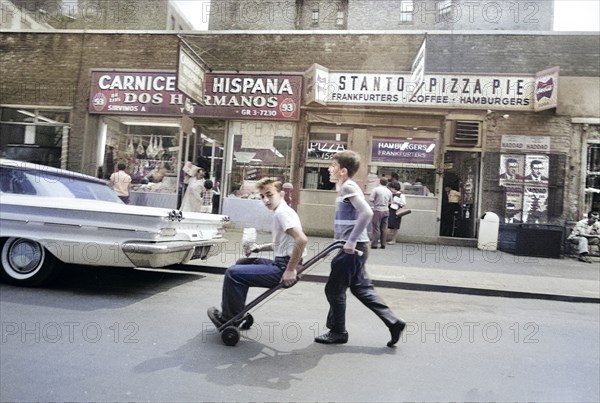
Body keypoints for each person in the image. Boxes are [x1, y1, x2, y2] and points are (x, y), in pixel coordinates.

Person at [315, 150, 405, 347]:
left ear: (343, 171)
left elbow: (366, 212)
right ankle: (393, 322)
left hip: (352, 249)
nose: (329, 169)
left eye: (333, 166)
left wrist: (350, 241)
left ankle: (338, 331)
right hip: (356, 247)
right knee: (361, 288)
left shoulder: (348, 186)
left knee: (334, 289)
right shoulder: (345, 187)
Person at [207, 177, 308, 326]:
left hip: (283, 267)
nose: (266, 200)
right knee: (242, 263)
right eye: (262, 196)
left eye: (269, 194)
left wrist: (290, 270)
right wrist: (258, 248)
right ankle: (237, 311)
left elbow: (301, 240)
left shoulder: (282, 213)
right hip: (282, 262)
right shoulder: (282, 211)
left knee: (233, 273)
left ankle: (229, 319)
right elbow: (280, 244)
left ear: (281, 194)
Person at [369, 178, 393, 249]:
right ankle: (383, 244)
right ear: (387, 183)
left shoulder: (376, 189)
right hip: (386, 210)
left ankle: (374, 244)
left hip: (377, 210)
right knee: (384, 228)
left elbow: (371, 199)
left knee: (376, 227)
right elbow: (390, 202)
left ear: (380, 182)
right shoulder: (389, 191)